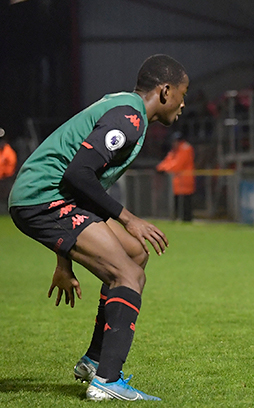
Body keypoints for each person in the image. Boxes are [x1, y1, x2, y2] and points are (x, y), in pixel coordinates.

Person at [8, 54, 188, 400]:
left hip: (51, 197)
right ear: (165, 91)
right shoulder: (129, 118)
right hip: (41, 198)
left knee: (134, 255)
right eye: (183, 92)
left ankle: (93, 360)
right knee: (129, 276)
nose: (184, 103)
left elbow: (78, 185)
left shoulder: (123, 107)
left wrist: (64, 260)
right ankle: (108, 381)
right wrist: (128, 218)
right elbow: (78, 175)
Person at [156, 131, 196, 222]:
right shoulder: (174, 151)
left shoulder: (186, 148)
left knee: (185, 203)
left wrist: (164, 169)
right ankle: (178, 218)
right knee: (177, 203)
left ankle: (186, 219)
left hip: (185, 182)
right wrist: (160, 168)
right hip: (176, 184)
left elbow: (177, 165)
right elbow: (166, 162)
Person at [0, 127, 18, 213]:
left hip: (5, 179)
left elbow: (10, 167)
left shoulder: (8, 151)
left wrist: (4, 175)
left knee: (5, 199)